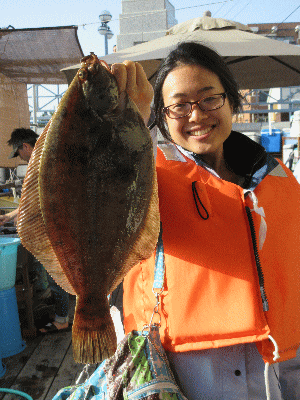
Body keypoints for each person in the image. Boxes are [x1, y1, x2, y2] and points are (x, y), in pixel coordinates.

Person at [111, 42, 300, 399]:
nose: (196, 115)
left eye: (209, 98)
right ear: (162, 117)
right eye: (179, 105)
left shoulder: (277, 177)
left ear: (231, 100)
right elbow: (104, 188)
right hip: (184, 365)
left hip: (278, 358)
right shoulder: (145, 175)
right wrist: (129, 117)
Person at [0, 128, 70, 334]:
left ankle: (62, 320)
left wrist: (15, 219)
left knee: (56, 276)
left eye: (19, 153)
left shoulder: (43, 163)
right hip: (58, 226)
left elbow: (36, 203)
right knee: (56, 276)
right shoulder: (49, 156)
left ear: (26, 147)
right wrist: (8, 217)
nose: (20, 158)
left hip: (55, 229)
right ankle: (61, 314)